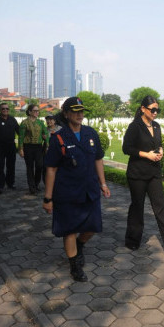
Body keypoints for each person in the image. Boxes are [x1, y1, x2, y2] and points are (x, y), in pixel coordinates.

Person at [43, 97, 111, 282]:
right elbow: (51, 168)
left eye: (81, 111)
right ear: (66, 114)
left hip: (90, 190)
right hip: (67, 192)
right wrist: (48, 198)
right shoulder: (58, 138)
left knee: (93, 227)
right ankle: (75, 266)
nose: (80, 114)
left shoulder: (91, 134)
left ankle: (80, 245)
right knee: (70, 230)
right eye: (75, 111)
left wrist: (103, 184)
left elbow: (98, 159)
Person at [122, 95, 164, 255]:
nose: (155, 113)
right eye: (153, 109)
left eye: (158, 110)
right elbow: (126, 148)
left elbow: (159, 143)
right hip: (137, 173)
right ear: (143, 109)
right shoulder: (135, 126)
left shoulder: (156, 126)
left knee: (160, 206)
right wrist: (146, 154)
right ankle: (132, 241)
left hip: (154, 172)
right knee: (137, 207)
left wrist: (160, 150)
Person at [0, 103, 20, 194]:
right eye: (3, 109)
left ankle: (10, 183)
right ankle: (0, 186)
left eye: (7, 108)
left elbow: (19, 131)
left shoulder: (12, 119)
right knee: (0, 166)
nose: (5, 110)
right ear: (0, 110)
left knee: (11, 166)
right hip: (0, 147)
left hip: (11, 146)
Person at [18, 104, 48, 195]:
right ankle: (32, 187)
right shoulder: (24, 123)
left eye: (38, 111)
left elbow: (45, 134)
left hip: (38, 147)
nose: (37, 112)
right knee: (30, 167)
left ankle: (36, 183)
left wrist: (47, 144)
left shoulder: (40, 122)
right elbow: (21, 137)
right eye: (35, 111)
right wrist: (21, 149)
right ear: (30, 112)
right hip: (28, 147)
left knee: (40, 166)